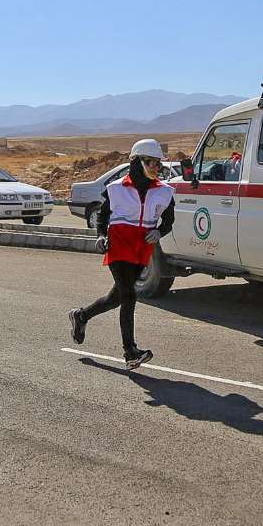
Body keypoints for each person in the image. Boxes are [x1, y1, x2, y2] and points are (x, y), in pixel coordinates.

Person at [68, 139, 176, 369]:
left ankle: (81, 316)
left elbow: (169, 220)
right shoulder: (116, 188)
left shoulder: (164, 192)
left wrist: (159, 232)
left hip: (141, 251)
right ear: (138, 162)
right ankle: (130, 352)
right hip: (118, 248)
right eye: (152, 162)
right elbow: (103, 216)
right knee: (129, 296)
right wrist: (100, 235)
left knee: (116, 298)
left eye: (158, 163)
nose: (157, 167)